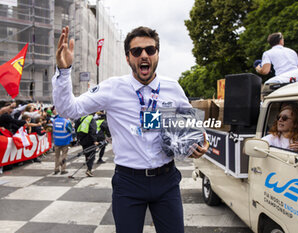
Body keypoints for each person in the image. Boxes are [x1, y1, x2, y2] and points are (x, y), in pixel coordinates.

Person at [52, 26, 208, 233]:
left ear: (157, 54)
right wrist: (64, 72)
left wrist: (200, 143)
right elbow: (68, 109)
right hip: (128, 183)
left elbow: (192, 126)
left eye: (150, 50)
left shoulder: (173, 87)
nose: (144, 55)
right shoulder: (112, 88)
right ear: (128, 58)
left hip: (167, 180)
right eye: (137, 51)